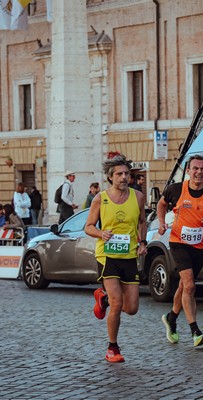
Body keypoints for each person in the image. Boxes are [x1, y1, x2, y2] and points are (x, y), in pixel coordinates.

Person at [157, 154, 203, 347]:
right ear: (188, 170)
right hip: (179, 243)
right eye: (195, 168)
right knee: (189, 286)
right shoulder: (176, 189)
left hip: (200, 246)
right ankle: (195, 332)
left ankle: (171, 318)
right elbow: (161, 204)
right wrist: (162, 223)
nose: (199, 172)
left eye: (202, 169)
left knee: (184, 287)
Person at [84, 154, 147, 363]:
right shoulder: (99, 199)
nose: (124, 177)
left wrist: (143, 242)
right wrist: (101, 233)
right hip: (107, 255)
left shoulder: (137, 197)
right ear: (110, 177)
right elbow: (88, 227)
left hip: (129, 255)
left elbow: (142, 221)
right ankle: (112, 348)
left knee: (132, 308)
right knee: (117, 302)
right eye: (119, 174)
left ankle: (101, 296)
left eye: (126, 173)